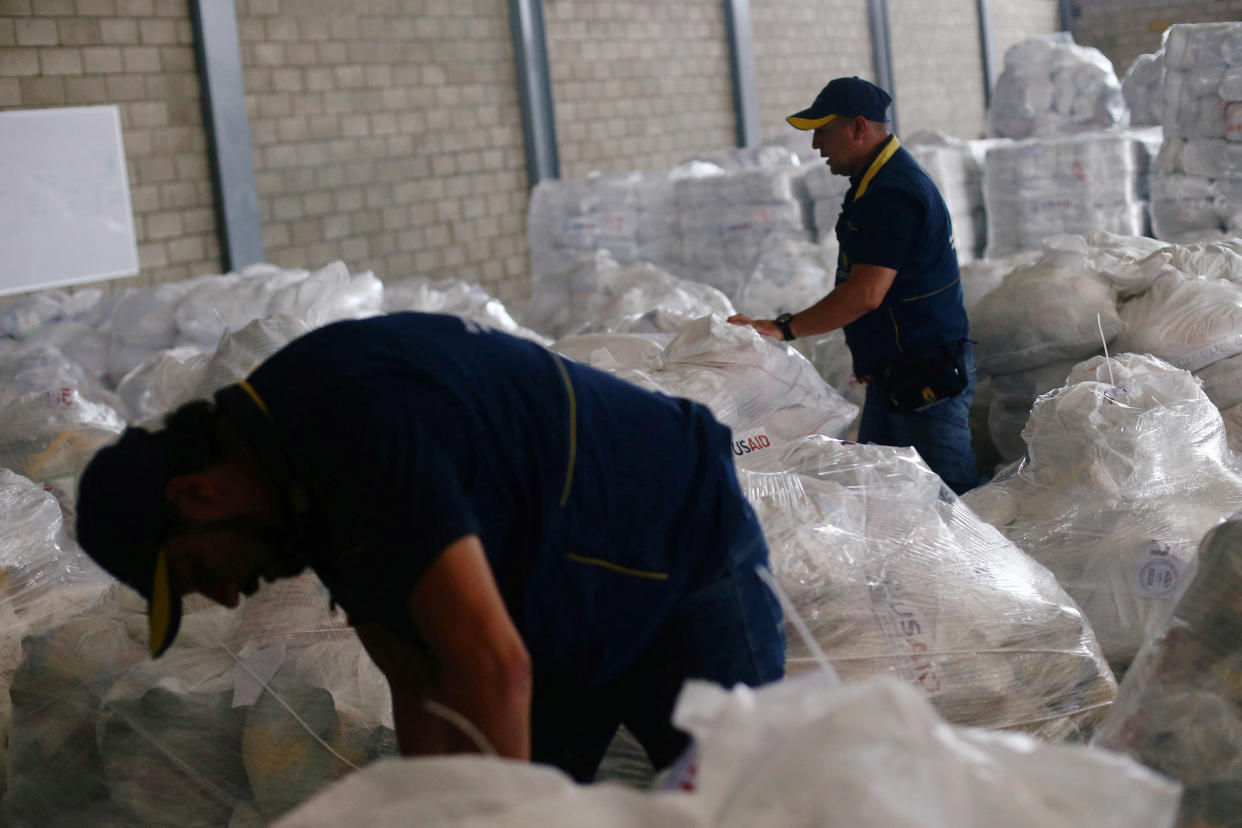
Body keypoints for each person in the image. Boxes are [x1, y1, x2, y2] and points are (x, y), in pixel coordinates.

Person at [74, 311, 784, 783]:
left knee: (735, 801)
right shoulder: (291, 485)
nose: (228, 596)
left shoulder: (348, 427)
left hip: (678, 546)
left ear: (198, 497)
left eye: (200, 572)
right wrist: (425, 807)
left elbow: (491, 667)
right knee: (506, 787)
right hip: (556, 599)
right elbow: (417, 679)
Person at [729, 76, 984, 494]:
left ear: (859, 128)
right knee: (880, 491)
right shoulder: (873, 184)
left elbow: (866, 294)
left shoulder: (893, 193)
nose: (816, 146)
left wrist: (783, 328)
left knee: (953, 498)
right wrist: (871, 355)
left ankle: (991, 559)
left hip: (926, 380)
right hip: (897, 375)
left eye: (823, 132)